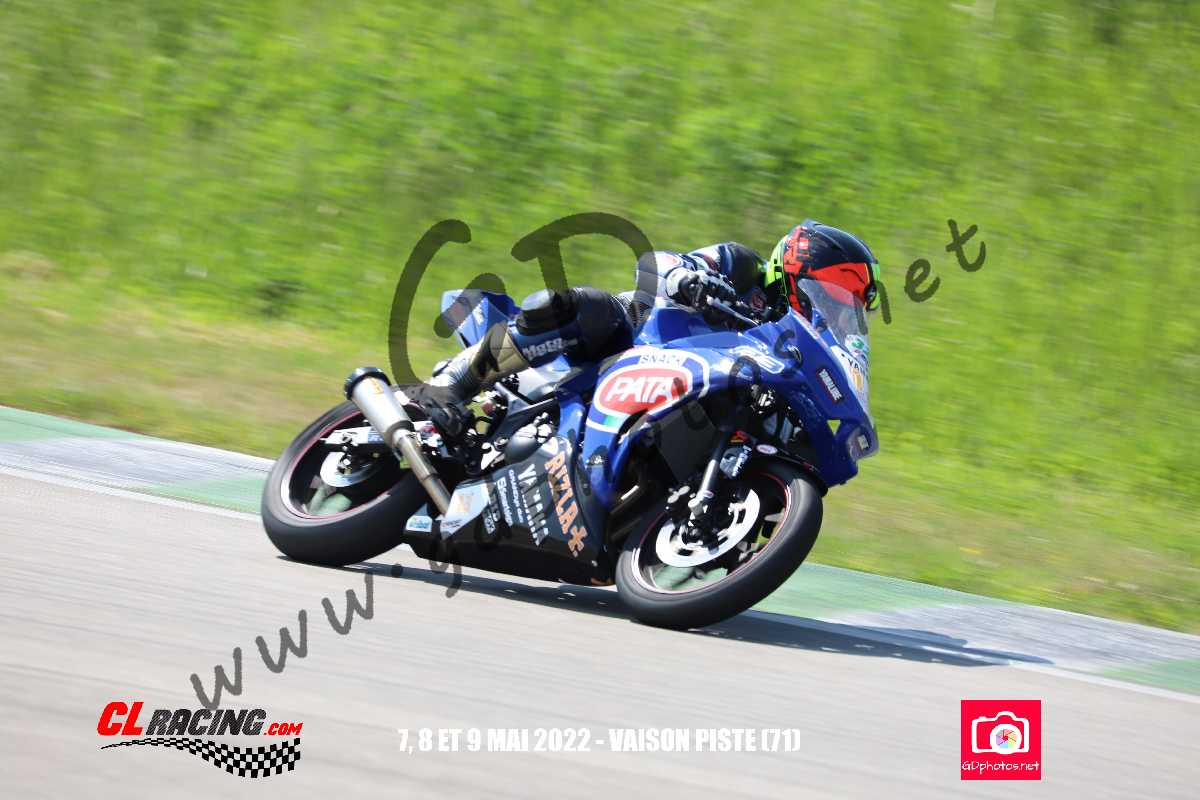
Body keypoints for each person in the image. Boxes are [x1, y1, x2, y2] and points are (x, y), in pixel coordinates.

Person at [405, 221, 878, 434]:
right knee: (587, 307)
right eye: (836, 292)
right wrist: (689, 280)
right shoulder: (741, 266)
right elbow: (657, 263)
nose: (840, 308)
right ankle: (450, 385)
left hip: (683, 399)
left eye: (851, 303)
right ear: (799, 269)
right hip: (627, 345)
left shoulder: (793, 350)